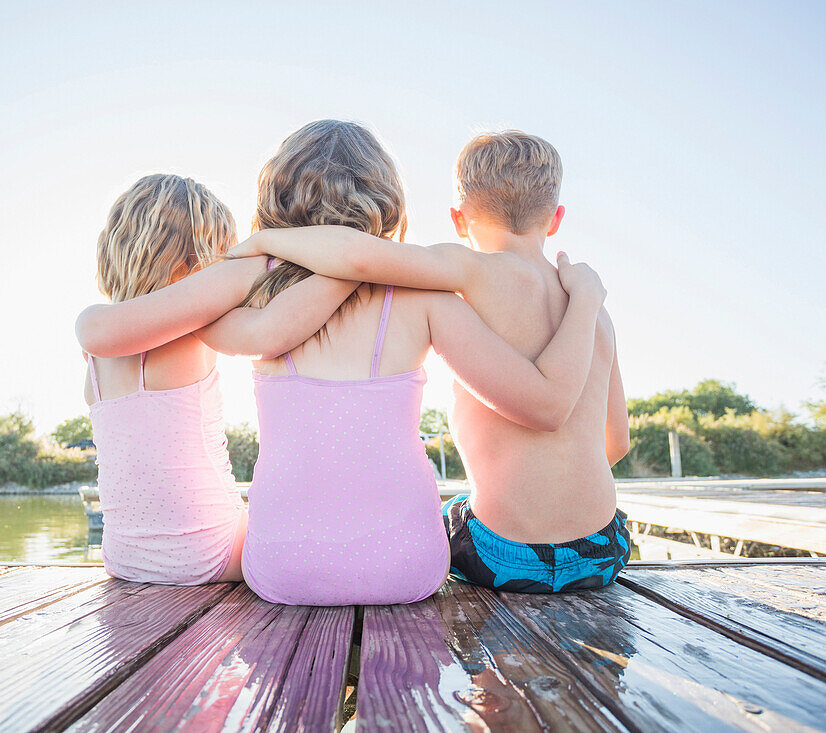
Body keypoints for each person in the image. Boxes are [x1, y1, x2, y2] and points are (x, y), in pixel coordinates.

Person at [229, 130, 630, 593]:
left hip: (507, 555)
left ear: (459, 219)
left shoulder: (468, 270)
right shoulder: (596, 313)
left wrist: (267, 240)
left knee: (451, 513)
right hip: (601, 550)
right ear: (555, 218)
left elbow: (358, 258)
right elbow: (615, 443)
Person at [78, 173, 355, 584]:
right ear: (194, 263)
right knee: (326, 519)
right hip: (212, 554)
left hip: (123, 557)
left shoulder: (96, 339)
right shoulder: (198, 324)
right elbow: (264, 298)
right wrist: (268, 247)